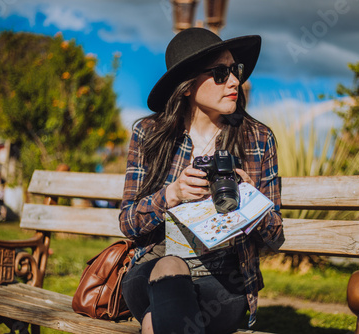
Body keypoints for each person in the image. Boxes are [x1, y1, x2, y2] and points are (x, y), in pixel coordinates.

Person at [120, 27, 283, 334]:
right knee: (169, 267)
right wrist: (171, 194)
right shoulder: (149, 134)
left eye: (236, 70)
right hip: (151, 266)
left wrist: (249, 202)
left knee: (156, 322)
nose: (235, 81)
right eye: (221, 73)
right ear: (185, 87)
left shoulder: (257, 139)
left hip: (222, 280)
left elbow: (274, 235)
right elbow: (128, 223)